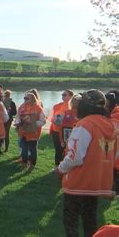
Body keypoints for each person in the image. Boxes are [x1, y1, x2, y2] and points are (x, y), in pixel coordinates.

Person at [55, 89, 116, 237]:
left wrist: (60, 169)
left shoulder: (84, 125)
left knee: (71, 222)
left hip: (78, 183)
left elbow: (75, 157)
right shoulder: (110, 125)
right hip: (96, 184)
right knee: (90, 221)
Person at [14, 91, 46, 171]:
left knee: (33, 150)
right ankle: (24, 163)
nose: (24, 99)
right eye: (24, 97)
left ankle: (32, 164)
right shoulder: (22, 107)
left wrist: (33, 124)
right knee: (24, 149)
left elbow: (43, 121)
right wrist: (17, 123)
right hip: (23, 133)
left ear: (32, 99)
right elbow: (17, 117)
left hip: (34, 134)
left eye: (26, 98)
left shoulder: (38, 108)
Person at [50, 90, 74, 167]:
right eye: (62, 95)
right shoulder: (57, 106)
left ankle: (65, 167)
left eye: (65, 95)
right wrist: (54, 120)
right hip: (56, 130)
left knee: (66, 150)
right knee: (58, 149)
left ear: (71, 96)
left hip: (66, 132)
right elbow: (52, 117)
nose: (62, 96)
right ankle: (57, 166)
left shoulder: (72, 108)